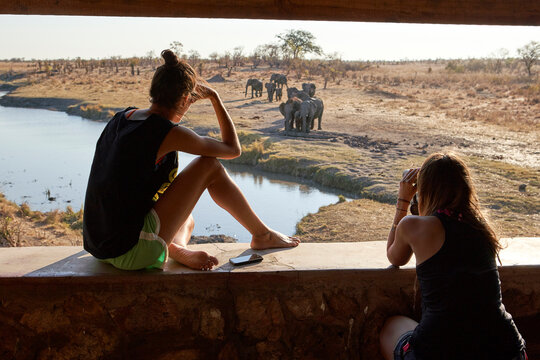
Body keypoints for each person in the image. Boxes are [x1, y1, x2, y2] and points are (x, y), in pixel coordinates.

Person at [83, 49, 299, 272]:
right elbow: (233, 149)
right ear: (187, 98)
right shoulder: (165, 132)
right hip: (129, 252)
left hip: (98, 246)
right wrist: (215, 97)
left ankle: (174, 247)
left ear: (154, 91)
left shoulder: (122, 118)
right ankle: (262, 235)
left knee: (187, 219)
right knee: (209, 166)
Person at [379, 152, 527, 360]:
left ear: (426, 189)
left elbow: (395, 258)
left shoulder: (414, 226)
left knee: (391, 327)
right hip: (506, 349)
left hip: (438, 349)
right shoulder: (481, 228)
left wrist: (403, 200)